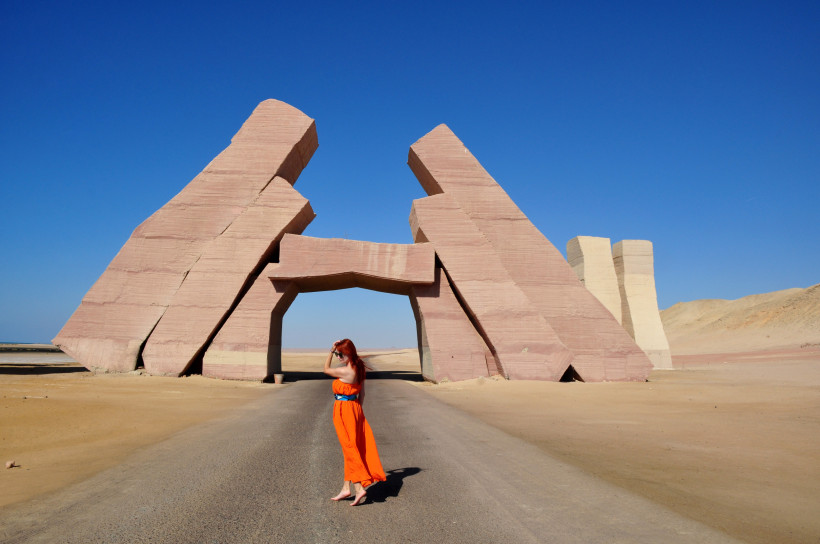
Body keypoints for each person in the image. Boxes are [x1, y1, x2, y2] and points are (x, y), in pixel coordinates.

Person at [323, 338, 386, 506]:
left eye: (340, 354)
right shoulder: (359, 369)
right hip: (355, 409)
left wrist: (329, 351)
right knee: (350, 447)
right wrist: (357, 412)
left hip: (344, 410)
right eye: (336, 354)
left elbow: (326, 370)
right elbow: (362, 394)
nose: (338, 357)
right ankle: (346, 488)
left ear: (349, 354)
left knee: (349, 448)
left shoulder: (346, 372)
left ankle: (358, 488)